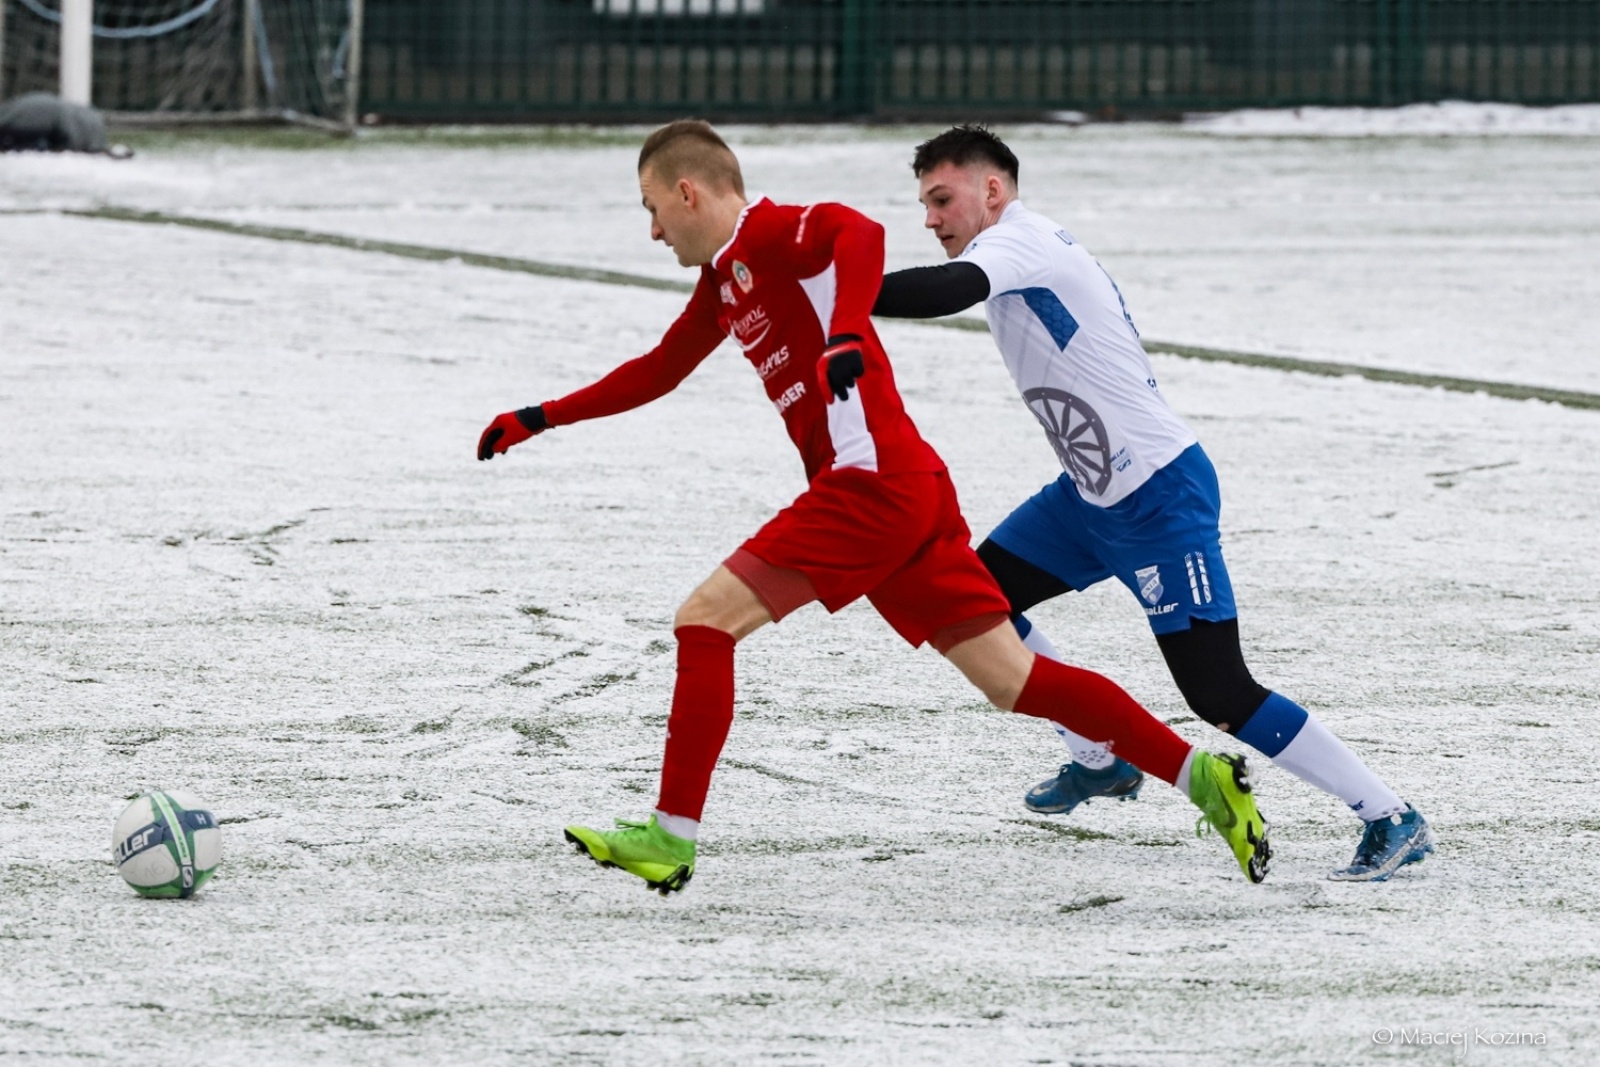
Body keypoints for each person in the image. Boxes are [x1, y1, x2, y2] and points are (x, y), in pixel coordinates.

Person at [477, 119, 1272, 896]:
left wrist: (846, 331)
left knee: (704, 620)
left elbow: (858, 231)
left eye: (652, 208)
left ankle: (670, 834)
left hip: (868, 487)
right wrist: (542, 416)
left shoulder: (775, 233)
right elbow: (659, 369)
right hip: (907, 488)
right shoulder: (724, 281)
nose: (653, 230)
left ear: (688, 192)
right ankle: (1201, 775)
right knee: (1013, 679)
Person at [871, 124, 1433, 883]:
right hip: (1088, 498)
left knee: (1219, 692)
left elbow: (945, 292)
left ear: (992, 190)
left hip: (1160, 495)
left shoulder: (1019, 242)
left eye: (941, 199)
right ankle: (1101, 759)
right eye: (925, 204)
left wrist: (837, 290)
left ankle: (1390, 815)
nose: (930, 218)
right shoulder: (1010, 251)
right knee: (976, 602)